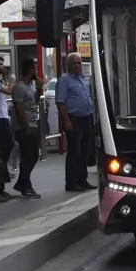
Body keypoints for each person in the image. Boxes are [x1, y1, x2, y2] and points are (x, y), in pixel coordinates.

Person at [55, 52, 97, 192]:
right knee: (75, 151)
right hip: (74, 119)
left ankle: (82, 179)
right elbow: (61, 102)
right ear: (68, 65)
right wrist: (66, 121)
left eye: (79, 63)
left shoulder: (83, 79)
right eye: (74, 63)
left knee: (86, 150)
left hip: (86, 117)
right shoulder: (64, 80)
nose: (77, 66)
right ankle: (71, 183)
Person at [12, 59, 42, 199]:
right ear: (30, 70)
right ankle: (26, 186)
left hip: (33, 123)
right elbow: (19, 108)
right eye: (35, 68)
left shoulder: (30, 87)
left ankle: (22, 183)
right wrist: (26, 126)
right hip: (25, 126)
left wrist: (39, 89)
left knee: (34, 155)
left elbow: (34, 102)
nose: (36, 71)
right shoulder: (20, 87)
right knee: (27, 156)